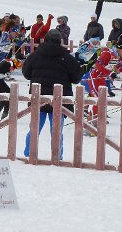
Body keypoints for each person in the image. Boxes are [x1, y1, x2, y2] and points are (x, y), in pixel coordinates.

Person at [21, 29, 84, 159]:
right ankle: (57, 156)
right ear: (60, 41)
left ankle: (29, 154)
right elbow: (77, 77)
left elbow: (26, 73)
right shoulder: (66, 57)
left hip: (39, 97)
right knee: (56, 131)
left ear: (46, 39)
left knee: (34, 129)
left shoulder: (35, 55)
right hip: (59, 99)